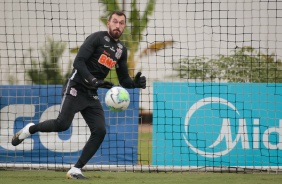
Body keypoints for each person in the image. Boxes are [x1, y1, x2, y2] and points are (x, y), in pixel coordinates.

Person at [11, 10, 146, 179]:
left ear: (124, 26)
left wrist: (135, 84)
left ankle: (76, 169)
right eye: (115, 22)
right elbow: (78, 62)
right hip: (75, 85)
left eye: (121, 23)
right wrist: (92, 80)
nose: (117, 26)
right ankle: (29, 129)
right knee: (62, 124)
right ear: (108, 23)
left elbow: (124, 79)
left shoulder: (121, 50)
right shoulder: (97, 38)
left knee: (100, 130)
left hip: (91, 93)